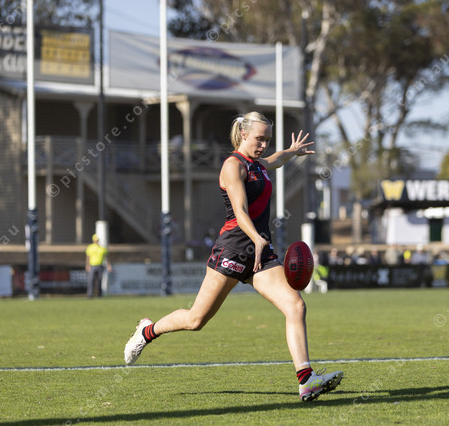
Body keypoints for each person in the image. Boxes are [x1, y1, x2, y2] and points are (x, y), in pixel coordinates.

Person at [124, 112, 343, 402]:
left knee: (295, 305)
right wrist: (257, 238)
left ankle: (306, 380)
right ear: (243, 134)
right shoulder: (233, 165)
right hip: (233, 249)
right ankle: (147, 331)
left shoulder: (259, 164)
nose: (264, 145)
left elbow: (275, 160)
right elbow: (240, 212)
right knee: (195, 320)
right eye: (259, 139)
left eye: (267, 140)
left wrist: (291, 152)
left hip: (261, 254)